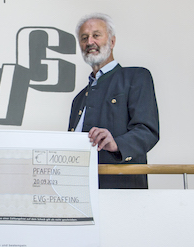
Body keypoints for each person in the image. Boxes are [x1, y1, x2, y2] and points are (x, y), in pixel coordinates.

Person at [68, 14, 159, 189]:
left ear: (112, 41)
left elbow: (148, 131)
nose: (90, 42)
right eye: (84, 38)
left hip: (123, 191)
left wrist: (117, 144)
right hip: (80, 191)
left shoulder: (136, 77)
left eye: (96, 35)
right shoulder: (78, 99)